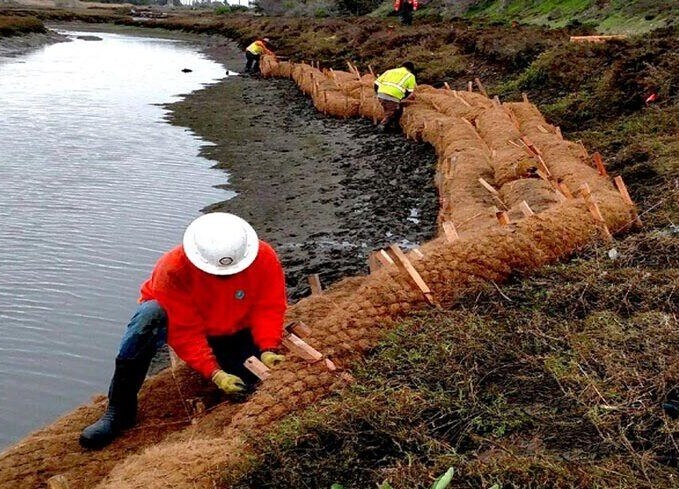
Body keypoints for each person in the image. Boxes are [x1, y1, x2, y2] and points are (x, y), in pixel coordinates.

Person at [79, 213, 287, 449]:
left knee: (247, 386)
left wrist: (268, 347)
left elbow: (268, 307)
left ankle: (232, 357)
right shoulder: (173, 269)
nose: (227, 277)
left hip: (232, 326)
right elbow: (185, 330)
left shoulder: (263, 257)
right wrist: (214, 372)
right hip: (184, 321)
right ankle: (119, 410)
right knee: (148, 315)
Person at [374, 61, 417, 132]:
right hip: (393, 96)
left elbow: (376, 83)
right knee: (392, 112)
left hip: (381, 94)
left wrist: (377, 93)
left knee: (393, 109)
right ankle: (382, 126)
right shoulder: (410, 76)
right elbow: (409, 91)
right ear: (411, 69)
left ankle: (393, 125)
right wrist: (401, 98)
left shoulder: (389, 71)